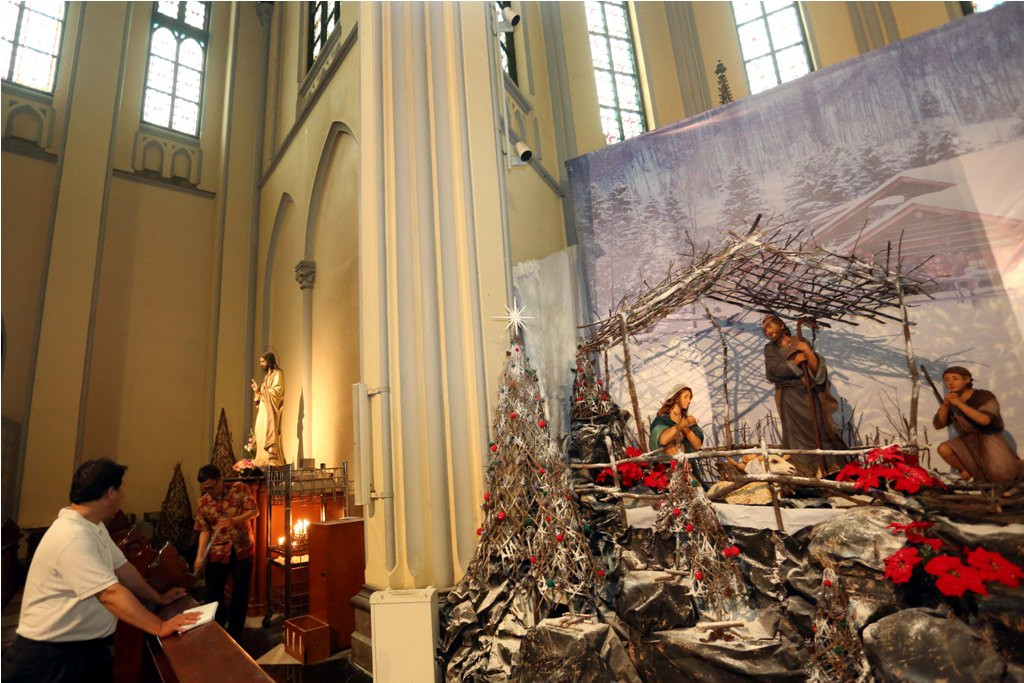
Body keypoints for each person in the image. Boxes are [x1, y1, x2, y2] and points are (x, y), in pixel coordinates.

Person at [2, 459, 199, 683]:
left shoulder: (94, 526)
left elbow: (123, 569)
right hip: (49, 659)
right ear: (110, 492)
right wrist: (160, 626)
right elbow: (110, 593)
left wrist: (158, 598)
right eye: (121, 487)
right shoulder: (72, 536)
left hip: (84, 650)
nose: (124, 494)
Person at [761, 314, 846, 477]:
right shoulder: (770, 349)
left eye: (770, 326)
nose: (768, 331)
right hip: (789, 399)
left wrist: (806, 350)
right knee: (794, 437)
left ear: (780, 325)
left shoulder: (799, 342)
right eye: (765, 329)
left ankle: (829, 470)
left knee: (820, 429)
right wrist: (794, 362)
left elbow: (815, 369)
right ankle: (804, 473)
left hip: (807, 395)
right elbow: (772, 372)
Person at [193, 465, 258, 640]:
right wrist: (200, 556)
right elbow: (204, 530)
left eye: (211, 487)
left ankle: (236, 633)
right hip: (217, 552)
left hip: (241, 549)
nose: (208, 491)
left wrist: (233, 521)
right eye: (204, 488)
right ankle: (217, 630)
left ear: (220, 480)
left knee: (240, 594)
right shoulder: (204, 502)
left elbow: (254, 511)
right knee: (213, 593)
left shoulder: (239, 489)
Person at [932, 366, 1022, 482]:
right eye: (947, 380)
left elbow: (985, 420)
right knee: (944, 449)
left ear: (967, 380)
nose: (950, 382)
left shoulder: (983, 396)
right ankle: (966, 470)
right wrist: (945, 405)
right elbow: (938, 425)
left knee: (1002, 475)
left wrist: (959, 404)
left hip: (989, 439)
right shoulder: (953, 400)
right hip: (967, 440)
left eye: (955, 378)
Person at [250, 352, 285, 467]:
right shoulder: (266, 377)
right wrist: (257, 391)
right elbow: (262, 397)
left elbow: (278, 391)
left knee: (268, 432)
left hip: (270, 412)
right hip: (263, 411)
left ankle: (271, 458)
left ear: (269, 361)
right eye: (260, 362)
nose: (261, 364)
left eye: (263, 362)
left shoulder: (278, 374)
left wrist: (265, 392)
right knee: (260, 433)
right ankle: (261, 458)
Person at [649, 385, 704, 455]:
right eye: (685, 397)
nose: (689, 401)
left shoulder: (689, 419)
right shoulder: (662, 419)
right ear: (676, 398)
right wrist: (679, 426)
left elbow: (697, 445)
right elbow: (662, 440)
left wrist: (686, 429)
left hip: (688, 464)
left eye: (690, 398)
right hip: (668, 463)